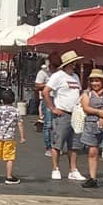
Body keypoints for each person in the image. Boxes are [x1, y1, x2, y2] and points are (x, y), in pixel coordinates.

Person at [42, 49, 87, 182]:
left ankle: (73, 169)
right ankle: (55, 168)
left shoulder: (76, 77)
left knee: (74, 144)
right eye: (73, 63)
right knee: (58, 143)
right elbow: (46, 91)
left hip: (75, 114)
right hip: (63, 113)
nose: (75, 65)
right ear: (67, 64)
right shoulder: (58, 76)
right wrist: (52, 108)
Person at [34, 61, 53, 156]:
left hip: (60, 99)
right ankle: (49, 147)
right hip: (47, 98)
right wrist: (49, 85)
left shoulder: (61, 72)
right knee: (48, 124)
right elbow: (37, 85)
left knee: (58, 125)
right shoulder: (43, 72)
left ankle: (57, 146)